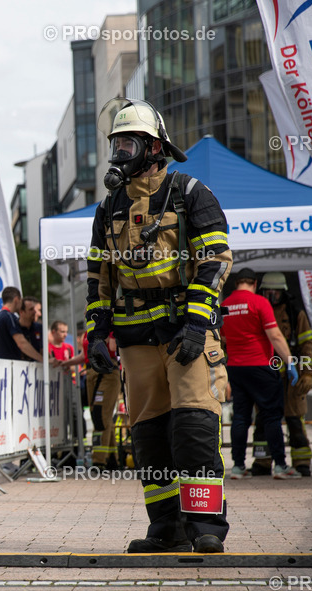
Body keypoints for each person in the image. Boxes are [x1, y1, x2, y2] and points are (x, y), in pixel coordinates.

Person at [86, 98, 231, 554]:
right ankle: (165, 525)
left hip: (185, 334)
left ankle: (205, 524)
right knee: (148, 434)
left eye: (129, 143)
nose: (120, 153)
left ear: (153, 147)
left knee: (193, 426)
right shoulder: (108, 208)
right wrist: (95, 333)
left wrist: (196, 323)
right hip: (135, 340)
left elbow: (215, 261)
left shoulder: (190, 193)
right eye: (117, 143)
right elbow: (98, 275)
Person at [221, 269, 300, 480]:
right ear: (255, 284)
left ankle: (238, 467)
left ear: (237, 283)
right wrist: (289, 362)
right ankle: (281, 466)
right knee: (272, 415)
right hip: (260, 366)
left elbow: (223, 338)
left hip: (236, 368)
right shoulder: (259, 303)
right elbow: (274, 335)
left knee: (240, 417)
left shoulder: (225, 305)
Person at [247, 272, 312, 476]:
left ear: (284, 293)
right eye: (268, 293)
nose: (271, 298)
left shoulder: (296, 314)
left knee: (295, 420)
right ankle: (262, 461)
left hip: (291, 378)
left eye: (276, 294)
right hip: (265, 374)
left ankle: (302, 461)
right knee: (263, 420)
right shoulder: (258, 311)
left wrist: (307, 374)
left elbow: (306, 347)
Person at [57, 331, 121, 470]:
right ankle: (111, 459)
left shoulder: (108, 327)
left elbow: (113, 348)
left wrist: (107, 331)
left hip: (107, 372)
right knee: (101, 416)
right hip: (91, 372)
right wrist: (65, 363)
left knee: (100, 414)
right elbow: (83, 355)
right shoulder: (88, 331)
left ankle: (99, 460)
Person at [0, 287, 42, 362]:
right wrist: (43, 360)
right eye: (21, 301)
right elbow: (21, 343)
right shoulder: (10, 317)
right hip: (10, 367)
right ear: (16, 299)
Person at [17, 296, 44, 362]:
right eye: (31, 309)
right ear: (21, 312)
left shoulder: (39, 328)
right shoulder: (14, 327)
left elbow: (42, 350)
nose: (36, 312)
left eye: (37, 310)